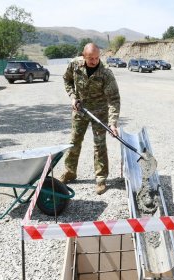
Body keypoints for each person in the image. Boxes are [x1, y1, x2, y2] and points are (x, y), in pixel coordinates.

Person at [59, 43, 120, 195]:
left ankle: (101, 179)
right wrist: (73, 97)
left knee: (99, 145)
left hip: (99, 112)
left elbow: (113, 99)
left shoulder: (106, 73)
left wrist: (113, 123)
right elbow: (67, 80)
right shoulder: (74, 65)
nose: (94, 61)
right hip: (80, 110)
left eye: (96, 58)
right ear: (83, 56)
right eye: (90, 58)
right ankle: (70, 171)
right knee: (74, 142)